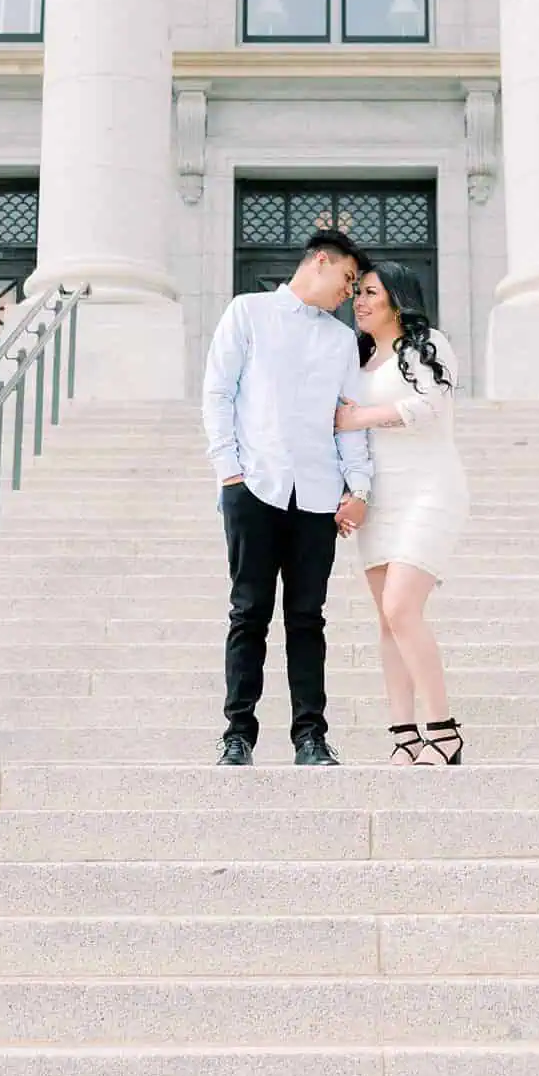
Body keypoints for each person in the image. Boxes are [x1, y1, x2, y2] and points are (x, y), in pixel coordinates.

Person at [202, 229, 372, 766]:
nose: (350, 292)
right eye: (347, 279)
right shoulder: (248, 312)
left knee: (307, 618)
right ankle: (238, 735)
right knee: (248, 612)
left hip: (318, 497)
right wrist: (229, 470)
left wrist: (358, 486)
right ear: (319, 262)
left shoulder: (341, 341)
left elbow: (347, 420)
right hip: (255, 486)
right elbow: (218, 390)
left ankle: (310, 736)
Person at [334, 259, 469, 765]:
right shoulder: (358, 360)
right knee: (386, 621)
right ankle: (405, 737)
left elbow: (429, 407)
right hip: (379, 499)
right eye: (357, 293)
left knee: (400, 608)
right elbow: (348, 439)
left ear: (396, 297)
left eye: (370, 292)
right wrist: (352, 495)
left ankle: (445, 731)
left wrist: (357, 417)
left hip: (430, 490)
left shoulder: (429, 344)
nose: (359, 301)